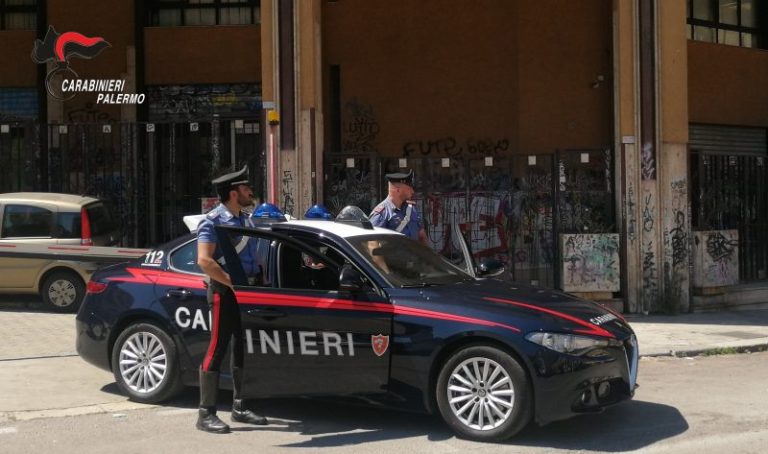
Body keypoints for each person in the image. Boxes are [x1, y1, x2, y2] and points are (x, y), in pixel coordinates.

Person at [195, 165, 268, 434]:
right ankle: (206, 413)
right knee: (217, 347)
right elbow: (204, 260)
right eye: (246, 188)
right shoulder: (213, 220)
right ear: (234, 193)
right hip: (224, 291)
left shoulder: (246, 220)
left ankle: (240, 406)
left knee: (241, 348)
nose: (251, 192)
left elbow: (253, 257)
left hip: (245, 292)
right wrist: (234, 284)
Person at [369, 169, 428, 244]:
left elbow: (422, 236)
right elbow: (372, 244)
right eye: (409, 188)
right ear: (398, 190)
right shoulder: (382, 213)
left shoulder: (411, 209)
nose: (412, 191)